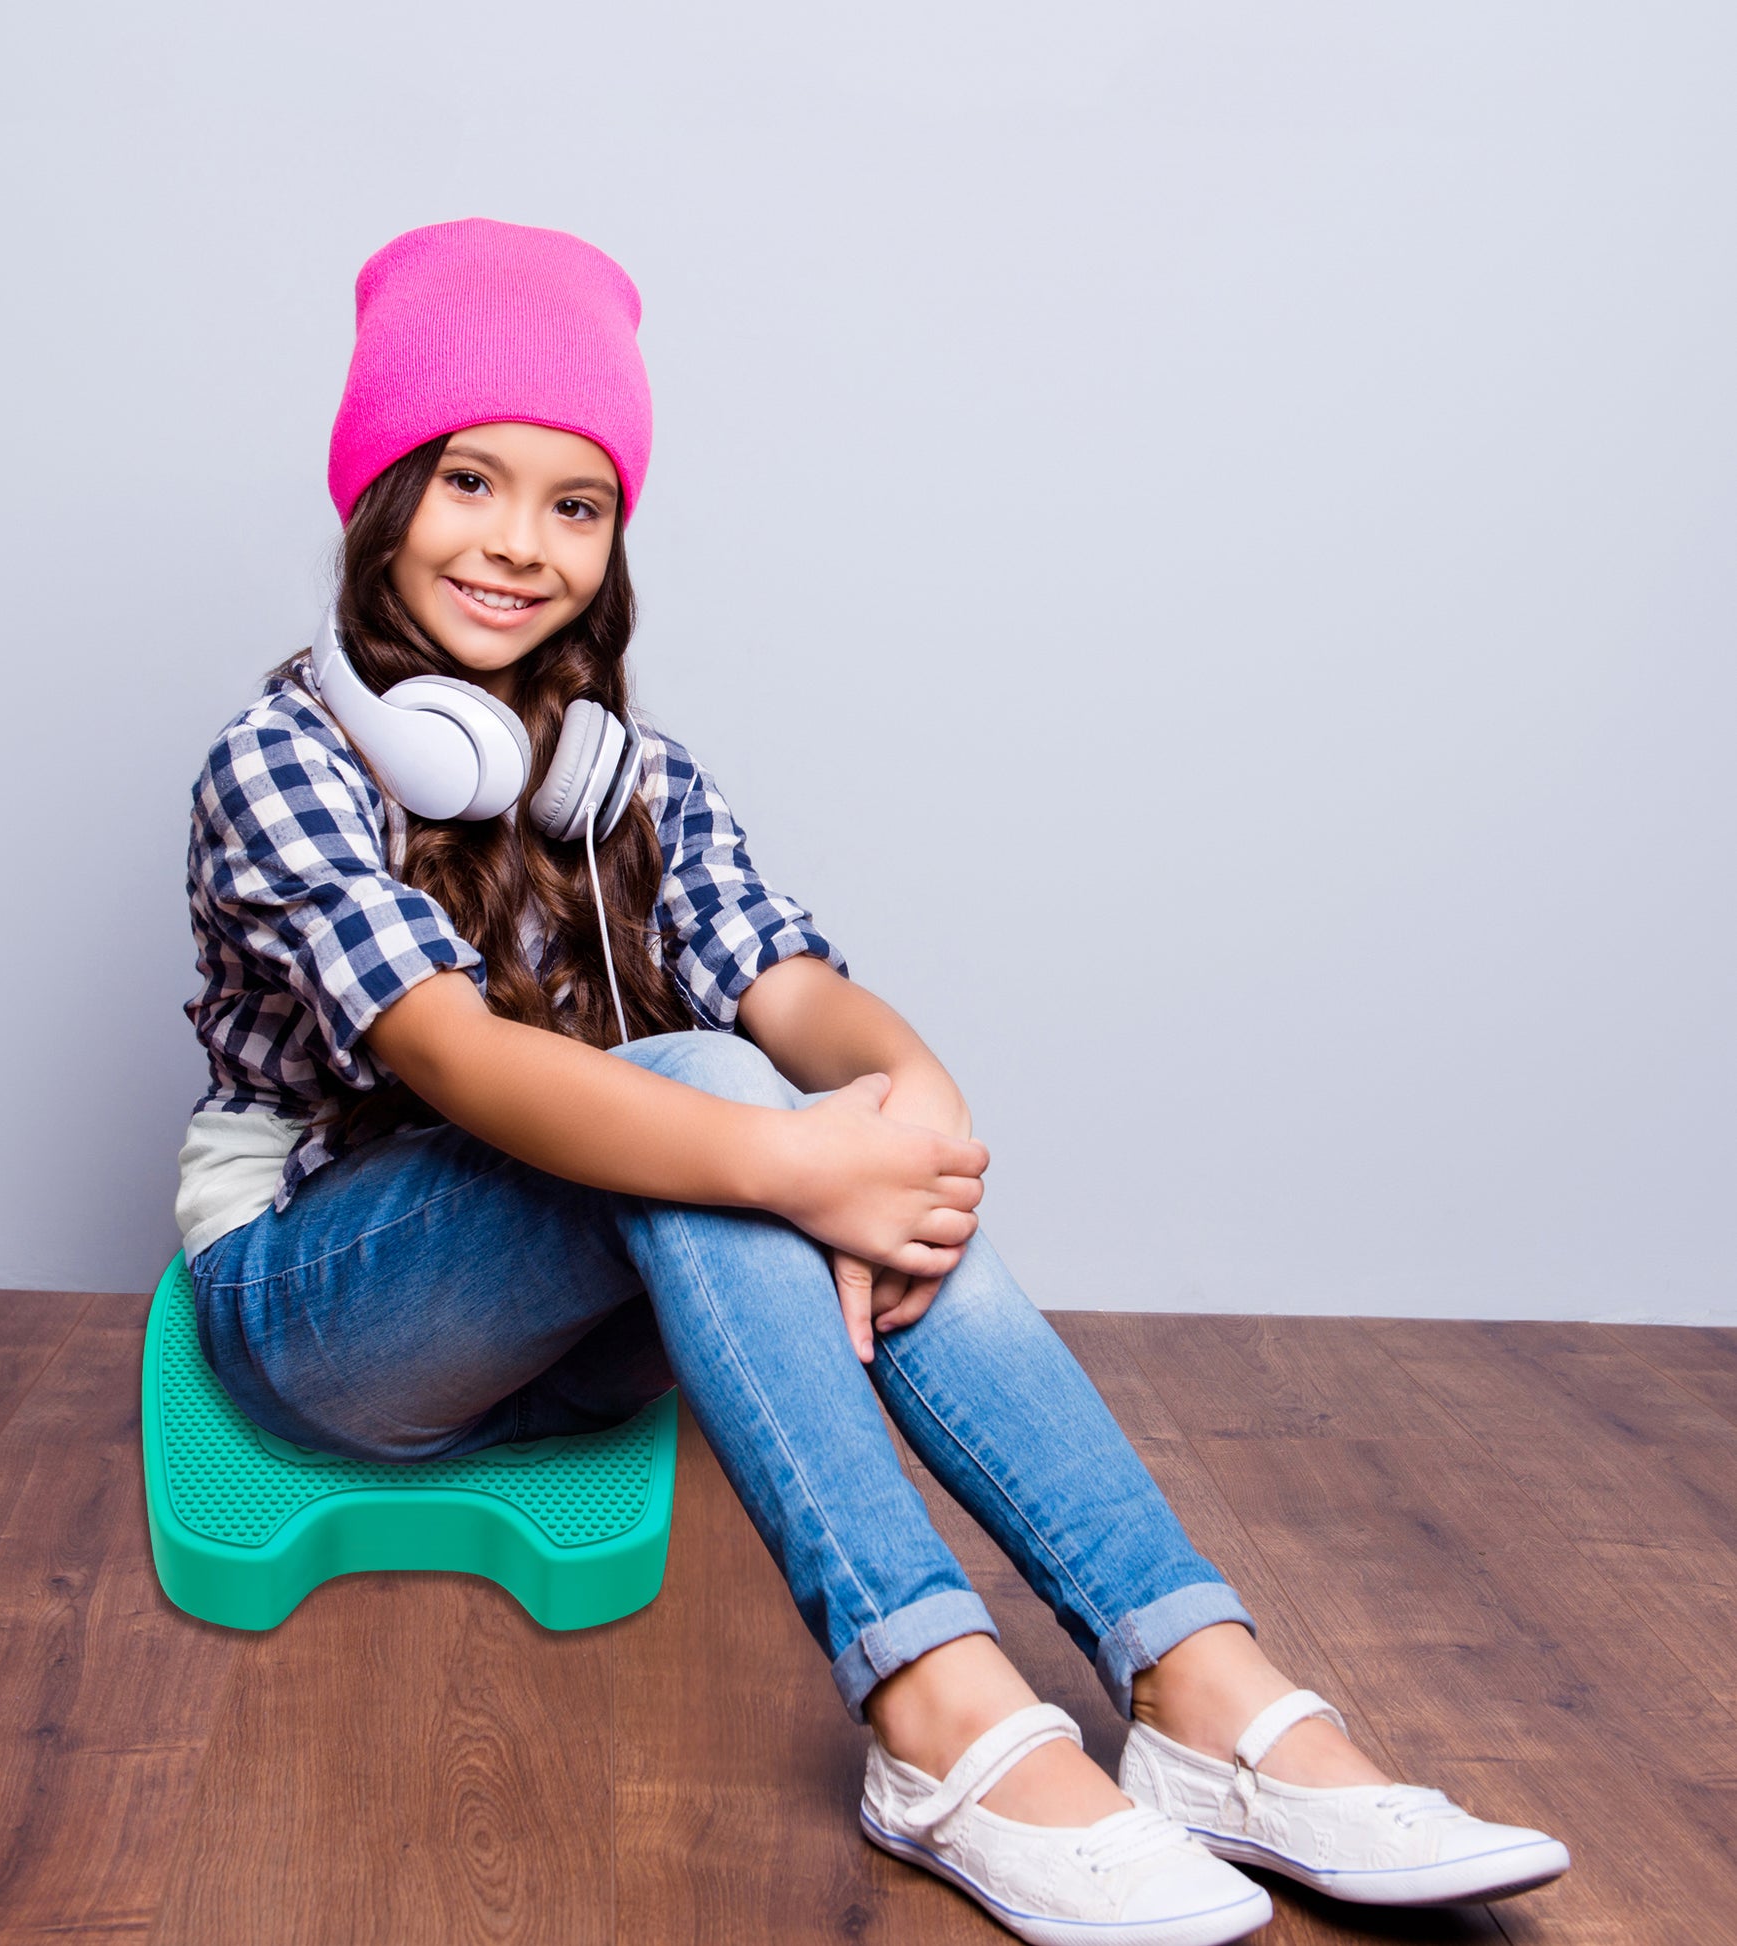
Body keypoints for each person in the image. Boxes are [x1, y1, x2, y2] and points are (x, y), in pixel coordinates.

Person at [176, 218, 1570, 1946]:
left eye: (576, 503)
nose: (521, 542)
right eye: (471, 481)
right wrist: (793, 1165)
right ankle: (935, 1710)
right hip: (324, 1311)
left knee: (784, 1096)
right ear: (383, 495)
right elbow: (457, 1058)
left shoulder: (626, 780)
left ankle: (1200, 1682)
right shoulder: (285, 757)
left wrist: (911, 1111)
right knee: (718, 1091)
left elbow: (800, 990)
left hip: (588, 1311)